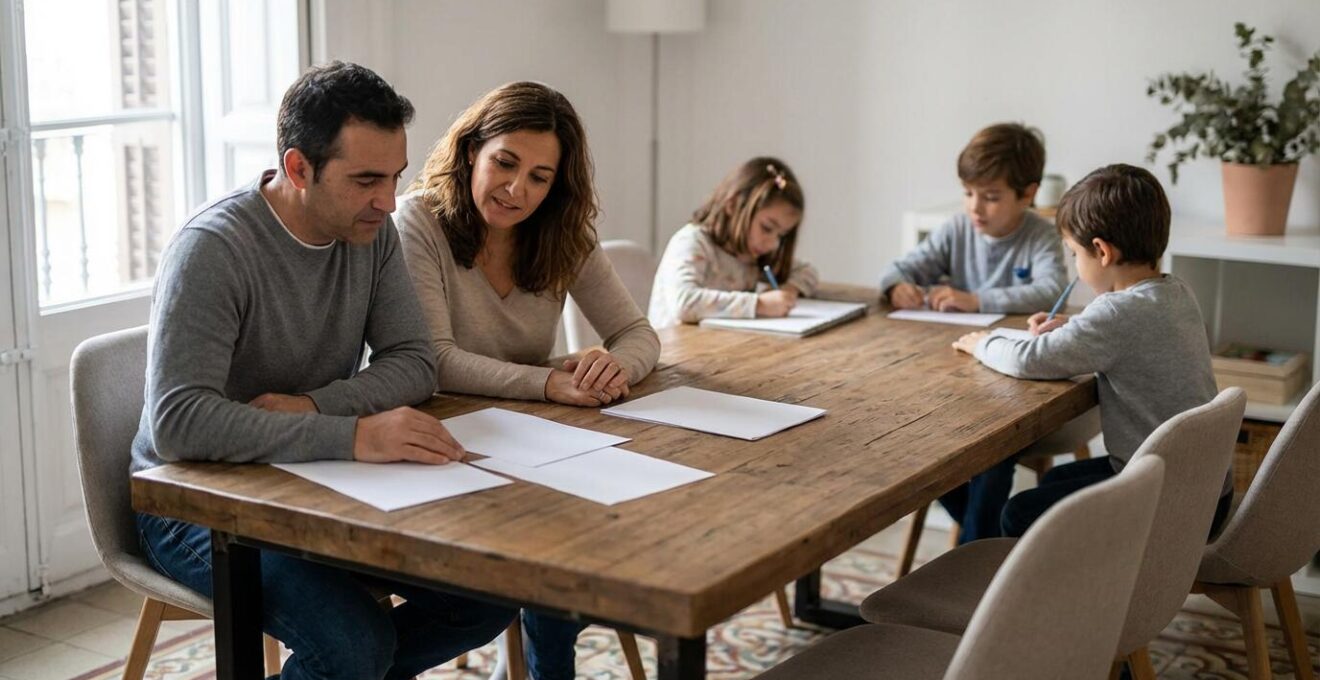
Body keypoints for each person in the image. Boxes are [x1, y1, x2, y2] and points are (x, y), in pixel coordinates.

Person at [131, 61, 514, 680]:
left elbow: (414, 361)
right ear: (298, 168)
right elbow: (179, 424)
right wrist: (352, 434)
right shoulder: (213, 249)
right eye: (366, 180)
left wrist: (315, 408)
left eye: (395, 176)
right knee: (353, 645)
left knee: (487, 593)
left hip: (314, 480)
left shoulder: (372, 232)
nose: (387, 200)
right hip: (196, 503)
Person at [394, 80, 660, 679]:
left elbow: (638, 334)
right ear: (471, 152)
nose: (518, 190)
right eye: (505, 163)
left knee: (579, 535)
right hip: (440, 443)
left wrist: (613, 366)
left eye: (540, 177)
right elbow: (435, 360)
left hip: (533, 443)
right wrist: (547, 382)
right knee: (555, 544)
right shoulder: (420, 221)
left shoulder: (563, 233)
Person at [951, 163, 1231, 537]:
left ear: (1101, 251)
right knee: (1056, 481)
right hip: (1207, 489)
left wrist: (982, 342)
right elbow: (1127, 334)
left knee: (1020, 513)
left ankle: (1047, 578)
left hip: (1167, 501)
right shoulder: (1176, 292)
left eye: (1073, 254)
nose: (1075, 266)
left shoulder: (1114, 313)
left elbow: (1028, 358)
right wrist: (1071, 327)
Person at [879, 122, 1068, 544]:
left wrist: (975, 299)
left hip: (1015, 385)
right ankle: (986, 543)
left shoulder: (1039, 235)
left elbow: (1050, 289)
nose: (975, 207)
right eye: (968, 193)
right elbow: (898, 268)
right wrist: (897, 286)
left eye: (991, 196)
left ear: (1028, 194)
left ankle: (977, 551)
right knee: (914, 438)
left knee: (991, 454)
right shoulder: (957, 230)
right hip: (954, 376)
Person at [649, 157, 818, 328]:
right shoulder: (693, 242)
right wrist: (759, 304)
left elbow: (807, 272)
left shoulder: (753, 253)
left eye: (781, 235)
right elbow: (683, 303)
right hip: (673, 344)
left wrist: (787, 291)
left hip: (724, 342)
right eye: (766, 228)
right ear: (733, 205)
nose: (773, 244)